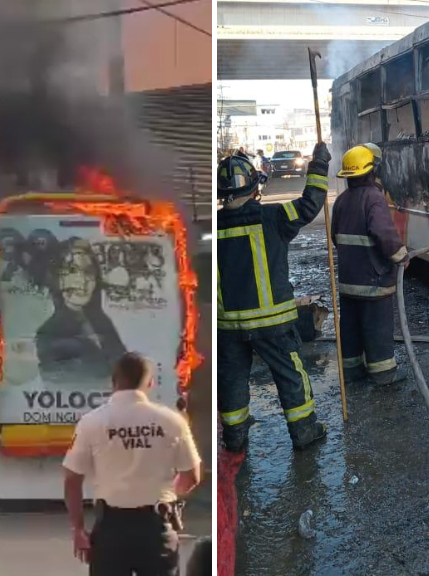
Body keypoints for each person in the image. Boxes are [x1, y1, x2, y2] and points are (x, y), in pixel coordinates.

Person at [216, 143, 331, 452]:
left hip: (227, 326)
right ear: (255, 187)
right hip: (273, 325)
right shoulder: (273, 217)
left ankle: (235, 438)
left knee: (230, 381)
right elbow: (310, 205)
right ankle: (304, 431)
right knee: (291, 375)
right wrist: (319, 165)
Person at [63, 352, 201, 576]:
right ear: (150, 383)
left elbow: (72, 479)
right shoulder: (172, 421)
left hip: (111, 531)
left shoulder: (91, 422)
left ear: (113, 381)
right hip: (157, 528)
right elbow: (191, 476)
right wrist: (166, 495)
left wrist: (77, 530)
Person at [331, 145, 409, 386]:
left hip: (348, 280)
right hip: (373, 281)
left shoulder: (342, 200)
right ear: (371, 170)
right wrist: (401, 256)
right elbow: (384, 234)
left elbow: (335, 236)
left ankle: (352, 371)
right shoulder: (374, 198)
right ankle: (383, 373)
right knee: (377, 327)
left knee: (351, 328)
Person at [35, 238, 127, 386]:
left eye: (88, 272)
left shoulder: (102, 324)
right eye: (72, 270)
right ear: (57, 278)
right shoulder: (48, 334)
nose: (82, 280)